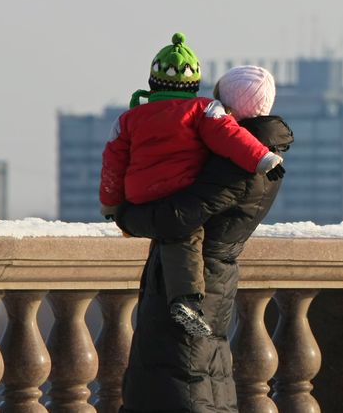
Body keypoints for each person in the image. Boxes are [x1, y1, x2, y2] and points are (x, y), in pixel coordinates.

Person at [115, 64, 294, 413]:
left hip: (194, 281)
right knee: (202, 376)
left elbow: (178, 217)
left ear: (228, 108)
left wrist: (124, 214)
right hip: (213, 277)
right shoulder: (260, 157)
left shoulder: (236, 165)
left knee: (180, 376)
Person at [99, 34, 283, 337]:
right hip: (176, 191)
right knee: (185, 233)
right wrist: (262, 159)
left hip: (139, 196)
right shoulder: (204, 112)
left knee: (176, 233)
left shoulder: (129, 118)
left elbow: (112, 165)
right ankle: (186, 301)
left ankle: (183, 302)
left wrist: (110, 204)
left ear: (153, 83)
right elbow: (231, 139)